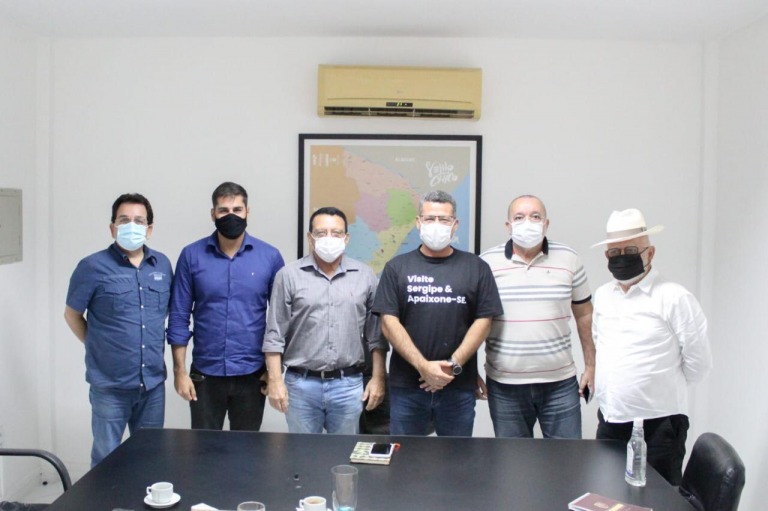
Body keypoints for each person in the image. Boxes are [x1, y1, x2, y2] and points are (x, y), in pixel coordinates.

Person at [591, 208, 712, 485]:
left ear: (650, 253)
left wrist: (658, 388)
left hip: (660, 426)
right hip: (610, 419)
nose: (622, 257)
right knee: (607, 492)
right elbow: (600, 343)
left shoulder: (674, 297)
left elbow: (699, 362)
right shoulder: (603, 295)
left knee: (658, 497)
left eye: (631, 250)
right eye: (615, 252)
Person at [372, 190, 503, 437]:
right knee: (405, 455)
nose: (437, 225)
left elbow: (484, 320)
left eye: (444, 219)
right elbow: (388, 322)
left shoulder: (476, 267)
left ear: (455, 224)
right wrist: (423, 366)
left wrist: (452, 366)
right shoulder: (396, 267)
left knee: (456, 457)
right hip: (407, 388)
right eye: (430, 219)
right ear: (418, 222)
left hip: (458, 387)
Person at [64, 193, 173, 467]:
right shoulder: (91, 267)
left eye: (139, 221)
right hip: (110, 386)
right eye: (124, 220)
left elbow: (161, 314)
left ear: (149, 229)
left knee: (149, 459)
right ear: (112, 227)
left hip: (152, 385)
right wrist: (98, 345)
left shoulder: (162, 265)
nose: (132, 226)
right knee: (106, 460)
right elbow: (72, 314)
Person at [168, 181, 284, 431]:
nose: (231, 216)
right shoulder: (191, 255)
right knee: (204, 449)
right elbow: (178, 317)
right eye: (223, 210)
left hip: (252, 374)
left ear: (247, 212)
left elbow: (281, 320)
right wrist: (179, 371)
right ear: (213, 214)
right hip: (205, 374)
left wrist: (275, 372)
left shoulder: (270, 257)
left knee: (246, 449)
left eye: (237, 210)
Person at [480, 195, 595, 438]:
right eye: (519, 217)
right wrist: (469, 372)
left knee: (566, 459)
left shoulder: (569, 258)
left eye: (535, 217)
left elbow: (584, 314)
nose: (527, 223)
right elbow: (473, 322)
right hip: (505, 386)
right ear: (508, 225)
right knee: (512, 460)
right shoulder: (487, 263)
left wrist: (591, 365)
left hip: (560, 384)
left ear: (546, 223)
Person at [263, 207, 386, 434]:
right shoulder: (288, 276)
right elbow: (274, 335)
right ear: (310, 238)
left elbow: (376, 337)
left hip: (348, 385)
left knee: (343, 454)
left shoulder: (365, 276)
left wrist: (378, 378)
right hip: (301, 385)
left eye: (336, 233)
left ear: (346, 238)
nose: (329, 238)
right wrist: (275, 381)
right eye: (321, 233)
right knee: (302, 453)